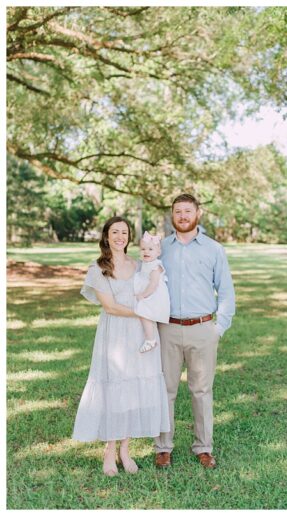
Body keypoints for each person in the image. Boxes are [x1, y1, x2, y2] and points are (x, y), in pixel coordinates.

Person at [72, 217, 171, 476]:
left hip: (140, 334)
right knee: (114, 388)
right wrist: (143, 312)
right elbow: (111, 307)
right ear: (106, 236)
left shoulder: (139, 265)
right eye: (114, 232)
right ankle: (109, 450)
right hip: (115, 333)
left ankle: (125, 450)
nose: (120, 236)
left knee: (133, 390)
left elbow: (155, 288)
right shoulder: (98, 267)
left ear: (129, 237)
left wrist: (152, 311)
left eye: (124, 232)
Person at [154, 193, 235, 469]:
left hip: (202, 328)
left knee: (201, 390)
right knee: (165, 390)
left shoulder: (214, 249)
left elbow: (225, 291)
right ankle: (163, 447)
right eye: (178, 212)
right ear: (172, 215)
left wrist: (218, 328)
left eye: (188, 211)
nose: (183, 216)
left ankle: (203, 447)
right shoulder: (161, 247)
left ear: (197, 213)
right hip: (168, 328)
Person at [135, 231, 170, 353]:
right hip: (151, 291)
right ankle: (149, 336)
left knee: (144, 312)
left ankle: (150, 339)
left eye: (150, 249)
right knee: (143, 313)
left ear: (158, 252)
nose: (146, 252)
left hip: (155, 294)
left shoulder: (155, 266)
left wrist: (142, 295)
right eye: (143, 249)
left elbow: (153, 285)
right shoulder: (146, 263)